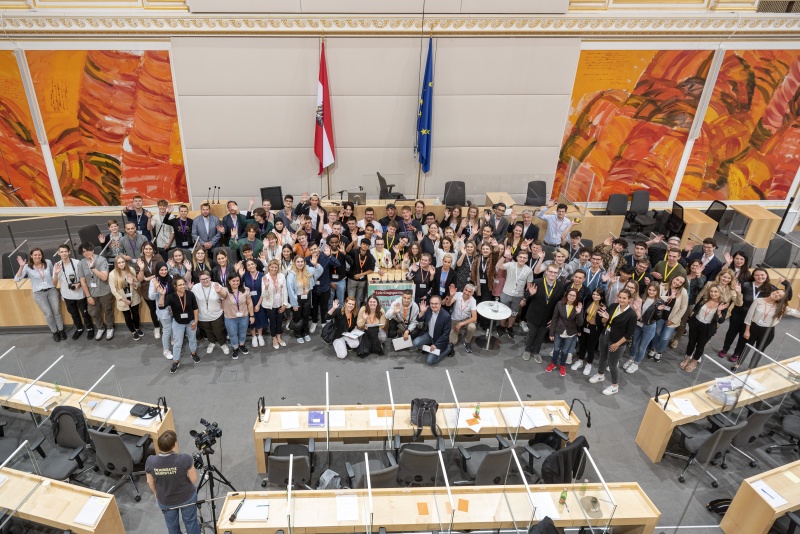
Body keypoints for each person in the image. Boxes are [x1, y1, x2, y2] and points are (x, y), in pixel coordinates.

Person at [721, 268, 792, 362]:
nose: (760, 277)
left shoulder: (771, 288)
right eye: (757, 275)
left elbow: (788, 297)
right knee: (731, 333)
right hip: (739, 314)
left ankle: (736, 353)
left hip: (753, 318)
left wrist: (786, 284)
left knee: (744, 336)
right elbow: (736, 297)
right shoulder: (746, 284)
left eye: (762, 275)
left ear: (766, 275)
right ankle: (725, 349)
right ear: (753, 276)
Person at [145, 430, 200, 534]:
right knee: (191, 522)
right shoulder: (185, 459)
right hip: (186, 497)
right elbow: (194, 479)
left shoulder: (150, 461)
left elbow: (150, 482)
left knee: (172, 527)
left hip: (166, 500)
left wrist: (157, 493)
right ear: (174, 445)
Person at [589, 290, 638, 396]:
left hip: (617, 342)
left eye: (624, 298)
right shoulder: (613, 306)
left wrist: (617, 344)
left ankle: (614, 386)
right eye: (620, 297)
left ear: (629, 300)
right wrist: (605, 318)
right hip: (605, 335)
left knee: (612, 364)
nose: (621, 300)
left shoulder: (632, 315)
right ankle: (600, 374)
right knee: (602, 357)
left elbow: (629, 334)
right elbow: (603, 322)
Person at [15, 248, 65, 342]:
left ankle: (61, 330)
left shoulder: (48, 262)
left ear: (42, 255)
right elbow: (17, 279)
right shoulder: (27, 267)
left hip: (51, 291)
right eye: (35, 255)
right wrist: (21, 267)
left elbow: (53, 275)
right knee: (48, 314)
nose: (37, 256)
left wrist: (56, 275)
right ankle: (55, 332)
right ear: (31, 256)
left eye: (39, 254)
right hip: (39, 294)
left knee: (57, 311)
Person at [740, 287, 798, 363]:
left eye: (780, 296)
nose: (776, 294)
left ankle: (750, 369)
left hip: (768, 331)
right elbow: (749, 316)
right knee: (746, 347)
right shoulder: (758, 301)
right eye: (777, 292)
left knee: (759, 351)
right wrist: (747, 330)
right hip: (753, 328)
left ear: (780, 300)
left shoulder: (782, 307)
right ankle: (738, 364)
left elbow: (798, 314)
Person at [680, 285, 728, 372]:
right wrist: (691, 318)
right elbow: (695, 309)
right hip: (695, 323)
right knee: (691, 342)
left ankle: (694, 362)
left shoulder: (723, 305)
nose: (713, 293)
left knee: (700, 346)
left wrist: (719, 311)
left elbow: (721, 320)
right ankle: (687, 358)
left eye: (715, 292)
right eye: (711, 291)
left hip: (708, 328)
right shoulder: (704, 299)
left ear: (720, 293)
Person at [522, 264, 565, 363]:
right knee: (531, 334)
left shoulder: (560, 286)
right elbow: (526, 296)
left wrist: (555, 319)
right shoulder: (537, 282)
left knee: (540, 336)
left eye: (555, 272)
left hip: (548, 317)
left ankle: (536, 352)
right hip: (534, 314)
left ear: (557, 274)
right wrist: (530, 294)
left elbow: (559, 305)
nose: (552, 274)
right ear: (546, 271)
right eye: (550, 272)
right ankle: (527, 350)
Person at [158, 277, 199, 374]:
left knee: (192, 339)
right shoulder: (171, 296)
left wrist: (196, 320)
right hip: (178, 323)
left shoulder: (190, 294)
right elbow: (161, 306)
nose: (182, 286)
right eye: (180, 285)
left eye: (183, 284)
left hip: (190, 322)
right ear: (175, 286)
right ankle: (176, 361)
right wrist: (162, 295)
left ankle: (193, 353)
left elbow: (195, 308)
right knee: (177, 343)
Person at [53, 244, 93, 340]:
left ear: (69, 252)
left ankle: (90, 328)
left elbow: (85, 277)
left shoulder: (77, 263)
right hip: (67, 295)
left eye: (65, 251)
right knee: (74, 314)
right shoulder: (57, 265)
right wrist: (55, 273)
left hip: (80, 294)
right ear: (59, 253)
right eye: (61, 252)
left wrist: (78, 284)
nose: (64, 253)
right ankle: (79, 329)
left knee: (85, 313)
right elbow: (54, 284)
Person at [78, 243, 116, 340]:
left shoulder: (101, 260)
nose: (86, 253)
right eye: (83, 252)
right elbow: (82, 282)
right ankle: (100, 328)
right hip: (92, 293)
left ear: (93, 250)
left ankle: (110, 328)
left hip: (104, 292)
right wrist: (88, 296)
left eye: (87, 250)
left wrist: (93, 268)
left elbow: (104, 277)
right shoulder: (81, 263)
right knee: (94, 312)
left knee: (108, 310)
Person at [623, 282, 662, 375]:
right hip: (638, 324)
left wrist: (658, 311)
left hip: (649, 327)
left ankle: (636, 363)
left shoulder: (659, 302)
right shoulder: (641, 298)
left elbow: (658, 318)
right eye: (650, 289)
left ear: (657, 291)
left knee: (642, 347)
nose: (651, 292)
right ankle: (631, 359)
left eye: (654, 290)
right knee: (634, 343)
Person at [648, 275, 689, 363]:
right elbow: (656, 298)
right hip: (660, 316)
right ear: (673, 278)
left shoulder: (683, 292)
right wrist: (669, 297)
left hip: (672, 319)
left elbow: (683, 308)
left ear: (682, 284)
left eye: (680, 282)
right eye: (677, 279)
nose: (677, 282)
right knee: (657, 334)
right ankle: (653, 349)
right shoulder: (662, 286)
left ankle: (659, 351)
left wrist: (673, 320)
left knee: (665, 337)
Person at [547, 288, 584, 376]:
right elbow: (554, 318)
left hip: (571, 333)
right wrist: (551, 333)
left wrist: (579, 313)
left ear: (576, 297)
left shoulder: (578, 307)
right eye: (570, 295)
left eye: (574, 295)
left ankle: (562, 365)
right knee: (556, 349)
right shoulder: (559, 304)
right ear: (566, 295)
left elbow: (580, 323)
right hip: (558, 331)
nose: (571, 297)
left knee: (565, 351)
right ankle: (553, 363)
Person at [497, 249, 534, 338]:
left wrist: (524, 299)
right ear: (517, 257)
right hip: (506, 293)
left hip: (518, 296)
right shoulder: (510, 265)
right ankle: (502, 326)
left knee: (514, 313)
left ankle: (509, 327)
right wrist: (504, 256)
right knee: (503, 312)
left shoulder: (529, 270)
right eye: (520, 257)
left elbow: (528, 287)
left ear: (527, 259)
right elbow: (498, 265)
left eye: (524, 258)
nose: (522, 259)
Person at [191, 271, 229, 355]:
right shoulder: (195, 287)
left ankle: (223, 344)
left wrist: (219, 291)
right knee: (208, 331)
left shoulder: (216, 285)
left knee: (219, 331)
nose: (204, 281)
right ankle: (212, 342)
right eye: (202, 279)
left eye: (206, 278)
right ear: (199, 279)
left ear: (210, 278)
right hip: (202, 316)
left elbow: (224, 296)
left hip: (216, 315)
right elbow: (192, 300)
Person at [287, 254, 323, 343]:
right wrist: (294, 304)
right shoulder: (291, 274)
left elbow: (319, 271)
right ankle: (298, 333)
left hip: (307, 297)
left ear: (304, 262)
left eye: (301, 261)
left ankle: (305, 332)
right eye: (298, 262)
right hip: (297, 298)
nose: (300, 264)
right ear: (295, 263)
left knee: (306, 316)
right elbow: (290, 291)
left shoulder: (308, 269)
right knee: (297, 317)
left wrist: (315, 264)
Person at [571, 288, 606, 376]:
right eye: (594, 294)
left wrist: (604, 315)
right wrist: (579, 328)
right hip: (585, 326)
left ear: (601, 297)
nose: (595, 296)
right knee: (582, 344)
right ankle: (580, 360)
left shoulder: (604, 307)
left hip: (595, 329)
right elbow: (583, 315)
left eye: (597, 295)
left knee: (591, 347)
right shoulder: (589, 302)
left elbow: (603, 321)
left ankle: (589, 364)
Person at [218, 273, 253, 359]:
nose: (235, 283)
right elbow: (222, 295)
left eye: (237, 280)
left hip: (244, 316)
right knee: (232, 334)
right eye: (233, 281)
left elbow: (249, 303)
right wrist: (218, 291)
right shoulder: (225, 290)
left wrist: (252, 316)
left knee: (243, 332)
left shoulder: (245, 289)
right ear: (229, 281)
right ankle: (235, 348)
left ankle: (241, 345)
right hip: (230, 318)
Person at [108, 255, 143, 340]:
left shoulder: (131, 270)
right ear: (116, 264)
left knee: (135, 314)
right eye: (119, 263)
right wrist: (124, 300)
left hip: (133, 297)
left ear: (125, 262)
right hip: (123, 300)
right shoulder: (112, 274)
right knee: (127, 316)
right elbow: (114, 290)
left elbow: (138, 284)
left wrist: (133, 283)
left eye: (122, 262)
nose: (121, 264)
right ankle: (133, 331)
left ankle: (137, 328)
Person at [412, 295, 453, 365]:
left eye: (436, 304)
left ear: (440, 304)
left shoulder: (446, 316)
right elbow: (419, 319)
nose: (433, 306)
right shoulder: (428, 310)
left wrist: (436, 345)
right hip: (429, 335)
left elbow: (446, 335)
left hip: (439, 339)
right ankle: (430, 346)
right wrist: (422, 312)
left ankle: (448, 348)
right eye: (432, 303)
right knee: (415, 343)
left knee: (430, 362)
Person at [137, 242, 164, 338]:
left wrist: (148, 278)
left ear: (153, 249)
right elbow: (140, 279)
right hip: (146, 288)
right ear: (142, 250)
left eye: (150, 249)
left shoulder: (158, 257)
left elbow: (162, 271)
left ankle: (165, 327)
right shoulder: (140, 260)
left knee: (162, 307)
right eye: (146, 249)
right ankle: (156, 327)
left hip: (159, 286)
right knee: (152, 309)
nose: (148, 251)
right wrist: (141, 269)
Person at [261, 259, 289, 350]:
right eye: (272, 267)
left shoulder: (281, 276)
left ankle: (279, 337)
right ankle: (274, 338)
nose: (274, 269)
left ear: (278, 268)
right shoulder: (265, 278)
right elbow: (264, 295)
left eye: (276, 267)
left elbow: (285, 291)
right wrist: (266, 286)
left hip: (280, 303)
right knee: (272, 322)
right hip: (270, 304)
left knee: (280, 321)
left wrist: (285, 304)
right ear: (269, 267)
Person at [149, 263, 175, 360]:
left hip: (173, 307)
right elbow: (151, 297)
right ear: (157, 271)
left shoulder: (171, 277)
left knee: (174, 326)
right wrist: (156, 287)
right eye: (161, 270)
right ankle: (166, 350)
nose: (164, 272)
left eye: (165, 269)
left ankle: (173, 340)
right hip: (163, 310)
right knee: (167, 330)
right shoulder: (154, 281)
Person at [238, 259, 265, 347]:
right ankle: (253, 336)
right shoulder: (245, 275)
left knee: (260, 317)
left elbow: (264, 291)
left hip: (259, 299)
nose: (251, 266)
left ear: (255, 264)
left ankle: (260, 335)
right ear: (246, 267)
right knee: (251, 317)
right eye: (248, 265)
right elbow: (239, 287)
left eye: (252, 264)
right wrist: (240, 275)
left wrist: (258, 304)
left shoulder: (262, 275)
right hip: (248, 300)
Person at [448, 283, 478, 353]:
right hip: (455, 319)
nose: (466, 292)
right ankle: (451, 345)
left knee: (472, 327)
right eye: (466, 290)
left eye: (469, 291)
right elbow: (448, 304)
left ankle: (467, 342)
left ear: (472, 293)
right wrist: (451, 296)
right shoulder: (458, 294)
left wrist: (460, 324)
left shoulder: (473, 301)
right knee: (452, 340)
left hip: (466, 319)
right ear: (463, 289)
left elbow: (474, 318)